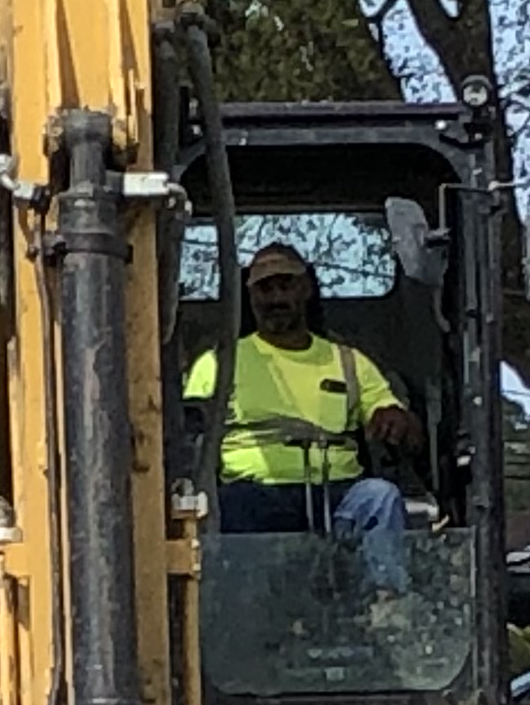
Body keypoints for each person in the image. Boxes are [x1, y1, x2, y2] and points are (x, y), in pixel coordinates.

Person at [180, 240, 424, 595]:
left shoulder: (348, 362)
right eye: (264, 288)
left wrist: (396, 419)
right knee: (220, 509)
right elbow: (188, 434)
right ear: (249, 297)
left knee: (380, 496)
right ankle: (233, 619)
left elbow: (396, 418)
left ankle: (385, 612)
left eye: (285, 285)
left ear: (306, 288)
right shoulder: (219, 363)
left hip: (336, 496)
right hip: (253, 497)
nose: (276, 297)